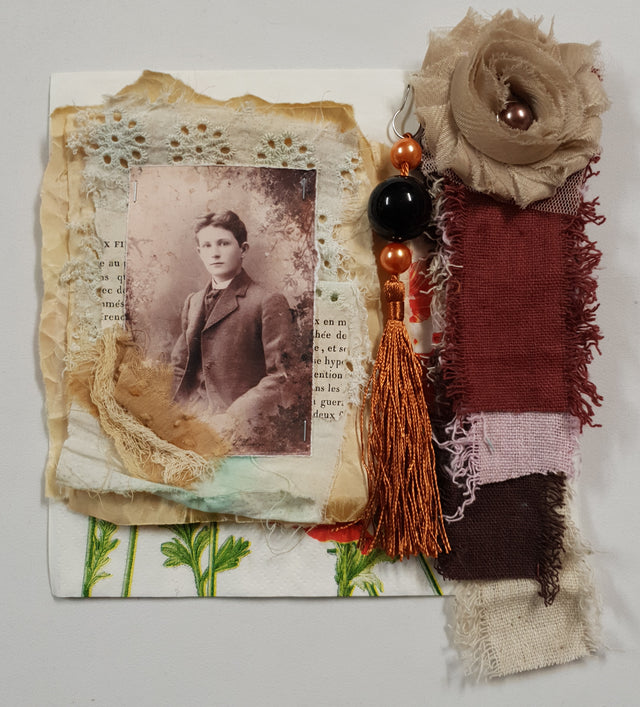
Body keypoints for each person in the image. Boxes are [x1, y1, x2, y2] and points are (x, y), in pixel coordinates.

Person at [171, 210, 294, 444]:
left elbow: (282, 376)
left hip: (237, 427)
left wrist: (232, 420)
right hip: (190, 420)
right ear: (199, 252)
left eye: (223, 243)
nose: (214, 253)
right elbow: (179, 366)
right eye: (206, 246)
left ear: (243, 249)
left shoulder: (267, 301)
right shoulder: (193, 301)